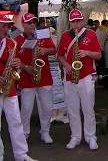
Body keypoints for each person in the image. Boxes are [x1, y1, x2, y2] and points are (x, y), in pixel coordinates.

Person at [57, 9, 101, 150]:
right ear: (70, 22)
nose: (76, 24)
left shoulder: (91, 34)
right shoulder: (64, 36)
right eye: (73, 21)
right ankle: (75, 136)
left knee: (88, 109)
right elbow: (60, 56)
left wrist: (87, 53)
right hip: (70, 77)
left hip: (86, 76)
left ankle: (91, 137)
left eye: (79, 21)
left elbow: (99, 55)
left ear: (82, 21)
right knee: (72, 109)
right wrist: (67, 65)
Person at [0, 14, 37, 161]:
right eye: (3, 25)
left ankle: (21, 154)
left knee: (16, 121)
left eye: (8, 25)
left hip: (9, 88)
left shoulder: (11, 43)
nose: (6, 28)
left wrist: (16, 66)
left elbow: (16, 69)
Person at [16, 13, 56, 144]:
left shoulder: (43, 34)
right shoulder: (17, 39)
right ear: (23, 25)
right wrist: (25, 67)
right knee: (26, 108)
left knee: (47, 107)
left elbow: (53, 49)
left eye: (34, 22)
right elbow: (14, 60)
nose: (32, 25)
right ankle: (24, 133)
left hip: (44, 77)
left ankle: (45, 132)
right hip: (27, 78)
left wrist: (44, 51)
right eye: (29, 23)